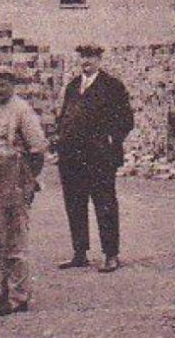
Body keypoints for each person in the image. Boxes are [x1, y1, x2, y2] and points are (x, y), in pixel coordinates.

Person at [0, 65, 49, 316]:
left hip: (12, 177)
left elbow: (37, 149)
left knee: (14, 237)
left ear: (12, 85)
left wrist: (26, 182)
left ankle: (19, 296)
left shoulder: (21, 110)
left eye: (2, 84)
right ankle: (4, 291)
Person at [55, 43, 135, 273]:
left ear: (99, 60)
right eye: (83, 57)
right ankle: (80, 253)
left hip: (99, 156)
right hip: (72, 156)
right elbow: (64, 117)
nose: (86, 61)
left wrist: (111, 141)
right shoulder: (72, 86)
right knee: (75, 203)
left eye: (91, 57)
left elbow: (126, 119)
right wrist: (60, 140)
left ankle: (111, 254)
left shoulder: (112, 86)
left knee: (105, 203)